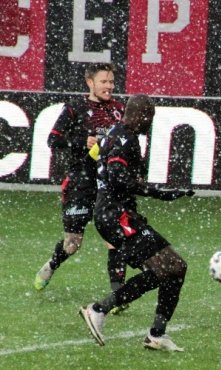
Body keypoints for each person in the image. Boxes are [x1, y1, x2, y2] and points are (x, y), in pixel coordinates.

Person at [79, 95, 194, 352]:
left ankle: (155, 335)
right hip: (117, 216)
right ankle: (99, 309)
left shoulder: (117, 134)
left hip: (116, 215)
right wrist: (160, 193)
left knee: (170, 270)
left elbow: (98, 166)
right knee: (175, 266)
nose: (150, 124)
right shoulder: (125, 138)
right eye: (149, 118)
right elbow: (118, 178)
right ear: (141, 115)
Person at [34, 63, 129, 311]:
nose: (108, 86)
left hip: (106, 184)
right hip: (79, 183)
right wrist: (80, 142)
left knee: (115, 238)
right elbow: (53, 140)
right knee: (72, 245)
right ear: (90, 83)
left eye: (111, 81)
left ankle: (117, 296)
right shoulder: (75, 108)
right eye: (103, 82)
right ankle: (52, 265)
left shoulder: (120, 110)